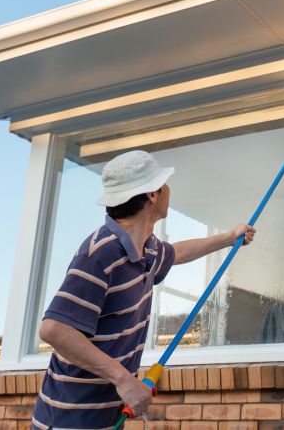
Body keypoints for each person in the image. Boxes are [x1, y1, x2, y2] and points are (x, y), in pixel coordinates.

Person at [31, 150, 255, 429]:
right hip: (69, 418)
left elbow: (177, 253)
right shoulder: (101, 253)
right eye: (164, 183)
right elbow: (54, 330)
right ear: (153, 194)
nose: (168, 190)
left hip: (104, 416)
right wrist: (125, 380)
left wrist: (227, 238)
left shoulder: (146, 248)